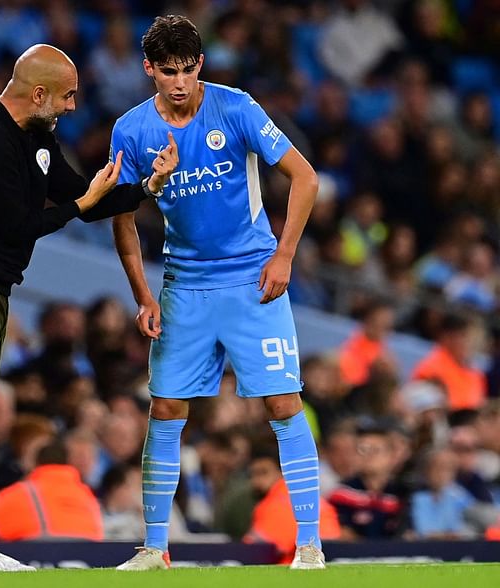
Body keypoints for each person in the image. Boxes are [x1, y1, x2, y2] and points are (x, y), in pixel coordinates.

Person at [0, 43, 178, 573]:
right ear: (40, 92)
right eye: (69, 96)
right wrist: (79, 205)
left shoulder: (34, 135)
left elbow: (82, 192)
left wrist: (145, 187)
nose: (74, 107)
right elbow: (22, 225)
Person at [110, 16, 322, 570]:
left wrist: (284, 254)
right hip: (185, 285)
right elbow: (122, 217)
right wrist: (142, 294)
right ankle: (154, 548)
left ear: (199, 65)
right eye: (167, 72)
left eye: (187, 70)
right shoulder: (131, 132)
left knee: (283, 403)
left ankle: (310, 544)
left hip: (255, 278)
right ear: (149, 69)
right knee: (165, 408)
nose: (178, 83)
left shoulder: (237, 108)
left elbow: (306, 177)